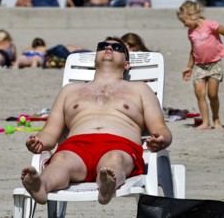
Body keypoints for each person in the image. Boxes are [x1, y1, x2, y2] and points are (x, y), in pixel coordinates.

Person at [21, 36, 172, 205]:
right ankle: (41, 187)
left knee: (114, 160)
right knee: (60, 160)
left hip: (120, 145)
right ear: (95, 59)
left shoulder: (140, 89)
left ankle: (105, 186)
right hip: (76, 147)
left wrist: (162, 139)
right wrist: (38, 142)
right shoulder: (69, 90)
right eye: (103, 46)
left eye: (117, 48)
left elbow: (160, 127)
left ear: (127, 64)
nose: (109, 48)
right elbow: (50, 132)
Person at [177, 0, 224, 129]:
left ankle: (216, 120)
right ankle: (205, 122)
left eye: (184, 21)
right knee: (200, 94)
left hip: (214, 64)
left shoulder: (210, 25)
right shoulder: (191, 32)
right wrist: (189, 67)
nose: (184, 25)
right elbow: (193, 50)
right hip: (199, 66)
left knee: (212, 94)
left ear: (192, 16)